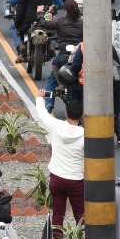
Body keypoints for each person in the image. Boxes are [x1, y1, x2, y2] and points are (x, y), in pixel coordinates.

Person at [36, 97, 84, 229]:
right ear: (81, 116)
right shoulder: (85, 135)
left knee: (58, 214)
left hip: (56, 178)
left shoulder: (57, 126)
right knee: (80, 215)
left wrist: (40, 98)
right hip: (76, 180)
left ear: (66, 113)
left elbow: (42, 114)